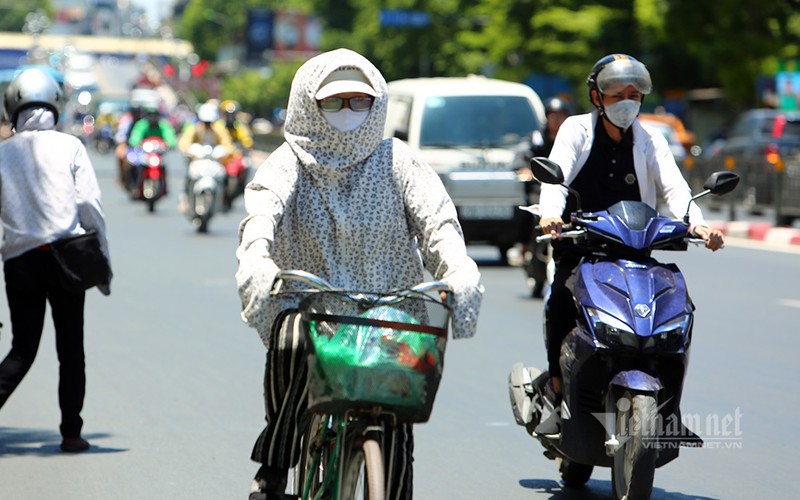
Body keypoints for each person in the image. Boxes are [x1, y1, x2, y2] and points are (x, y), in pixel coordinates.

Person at [235, 48, 484, 500]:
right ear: (309, 103)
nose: (347, 112)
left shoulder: (400, 161)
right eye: (333, 102)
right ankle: (276, 462)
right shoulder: (288, 161)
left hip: (388, 314)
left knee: (403, 406)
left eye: (359, 101)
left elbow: (439, 225)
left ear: (378, 103)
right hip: (313, 309)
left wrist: (457, 268)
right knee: (290, 344)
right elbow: (261, 213)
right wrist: (257, 257)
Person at [532, 54, 723, 438]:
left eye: (634, 94)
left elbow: (675, 188)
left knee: (674, 308)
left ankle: (667, 403)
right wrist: (550, 214)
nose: (627, 101)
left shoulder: (650, 138)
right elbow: (556, 179)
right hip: (580, 247)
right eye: (618, 93)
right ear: (597, 96)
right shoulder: (576, 131)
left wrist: (698, 224)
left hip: (633, 250)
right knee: (560, 307)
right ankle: (556, 391)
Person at [0, 67, 111, 453]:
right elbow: (88, 206)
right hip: (67, 260)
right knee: (71, 351)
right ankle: (71, 433)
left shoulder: (2, 154)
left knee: (22, 351)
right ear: (55, 105)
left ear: (13, 106)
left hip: (20, 263)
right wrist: (103, 265)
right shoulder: (71, 147)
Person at [513, 97, 574, 298]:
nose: (556, 120)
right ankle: (523, 247)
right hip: (539, 190)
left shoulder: (573, 138)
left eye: (561, 116)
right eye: (553, 116)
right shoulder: (538, 137)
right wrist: (524, 169)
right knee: (527, 210)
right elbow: (525, 155)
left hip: (565, 190)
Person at [178, 101, 235, 212]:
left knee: (225, 176)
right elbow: (185, 142)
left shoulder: (219, 129)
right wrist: (188, 150)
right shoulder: (194, 128)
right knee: (190, 175)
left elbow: (227, 143)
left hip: (214, 161)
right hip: (198, 160)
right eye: (205, 122)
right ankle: (185, 198)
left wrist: (228, 151)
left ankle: (224, 200)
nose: (207, 124)